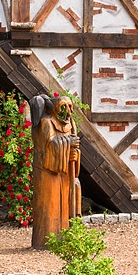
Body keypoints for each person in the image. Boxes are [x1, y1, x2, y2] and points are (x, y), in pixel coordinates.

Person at [30, 94, 81, 248]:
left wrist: (74, 154)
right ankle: (46, 241)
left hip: (64, 174)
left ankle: (65, 237)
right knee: (49, 206)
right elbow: (47, 147)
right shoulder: (46, 123)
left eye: (69, 107)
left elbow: (75, 147)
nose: (67, 111)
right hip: (47, 173)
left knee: (68, 200)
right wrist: (66, 144)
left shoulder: (70, 124)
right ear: (55, 108)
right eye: (63, 107)